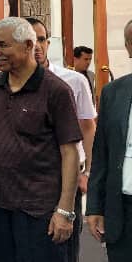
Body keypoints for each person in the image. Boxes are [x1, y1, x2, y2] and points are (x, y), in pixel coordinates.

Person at [0, 17, 82, 262]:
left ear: (27, 46)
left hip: (39, 210)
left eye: (2, 45)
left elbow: (70, 153)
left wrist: (65, 210)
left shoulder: (56, 91)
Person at [26, 17, 97, 261]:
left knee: (64, 246)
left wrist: (88, 173)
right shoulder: (4, 83)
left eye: (42, 39)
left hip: (66, 175)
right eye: (31, 40)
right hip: (26, 179)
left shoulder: (73, 80)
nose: (37, 46)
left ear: (49, 43)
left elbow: (88, 128)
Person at [87, 19, 132, 260]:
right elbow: (101, 154)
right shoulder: (113, 93)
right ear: (128, 47)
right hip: (122, 210)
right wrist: (94, 206)